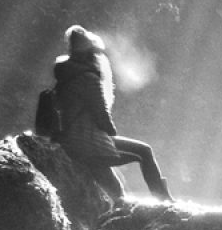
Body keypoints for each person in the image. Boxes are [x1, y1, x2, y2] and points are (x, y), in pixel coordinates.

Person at [49, 25, 171, 202]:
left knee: (119, 190)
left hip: (72, 141)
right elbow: (101, 116)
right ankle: (164, 202)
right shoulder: (89, 79)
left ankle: (159, 201)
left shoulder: (65, 75)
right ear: (89, 53)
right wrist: (110, 133)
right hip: (89, 144)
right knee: (143, 153)